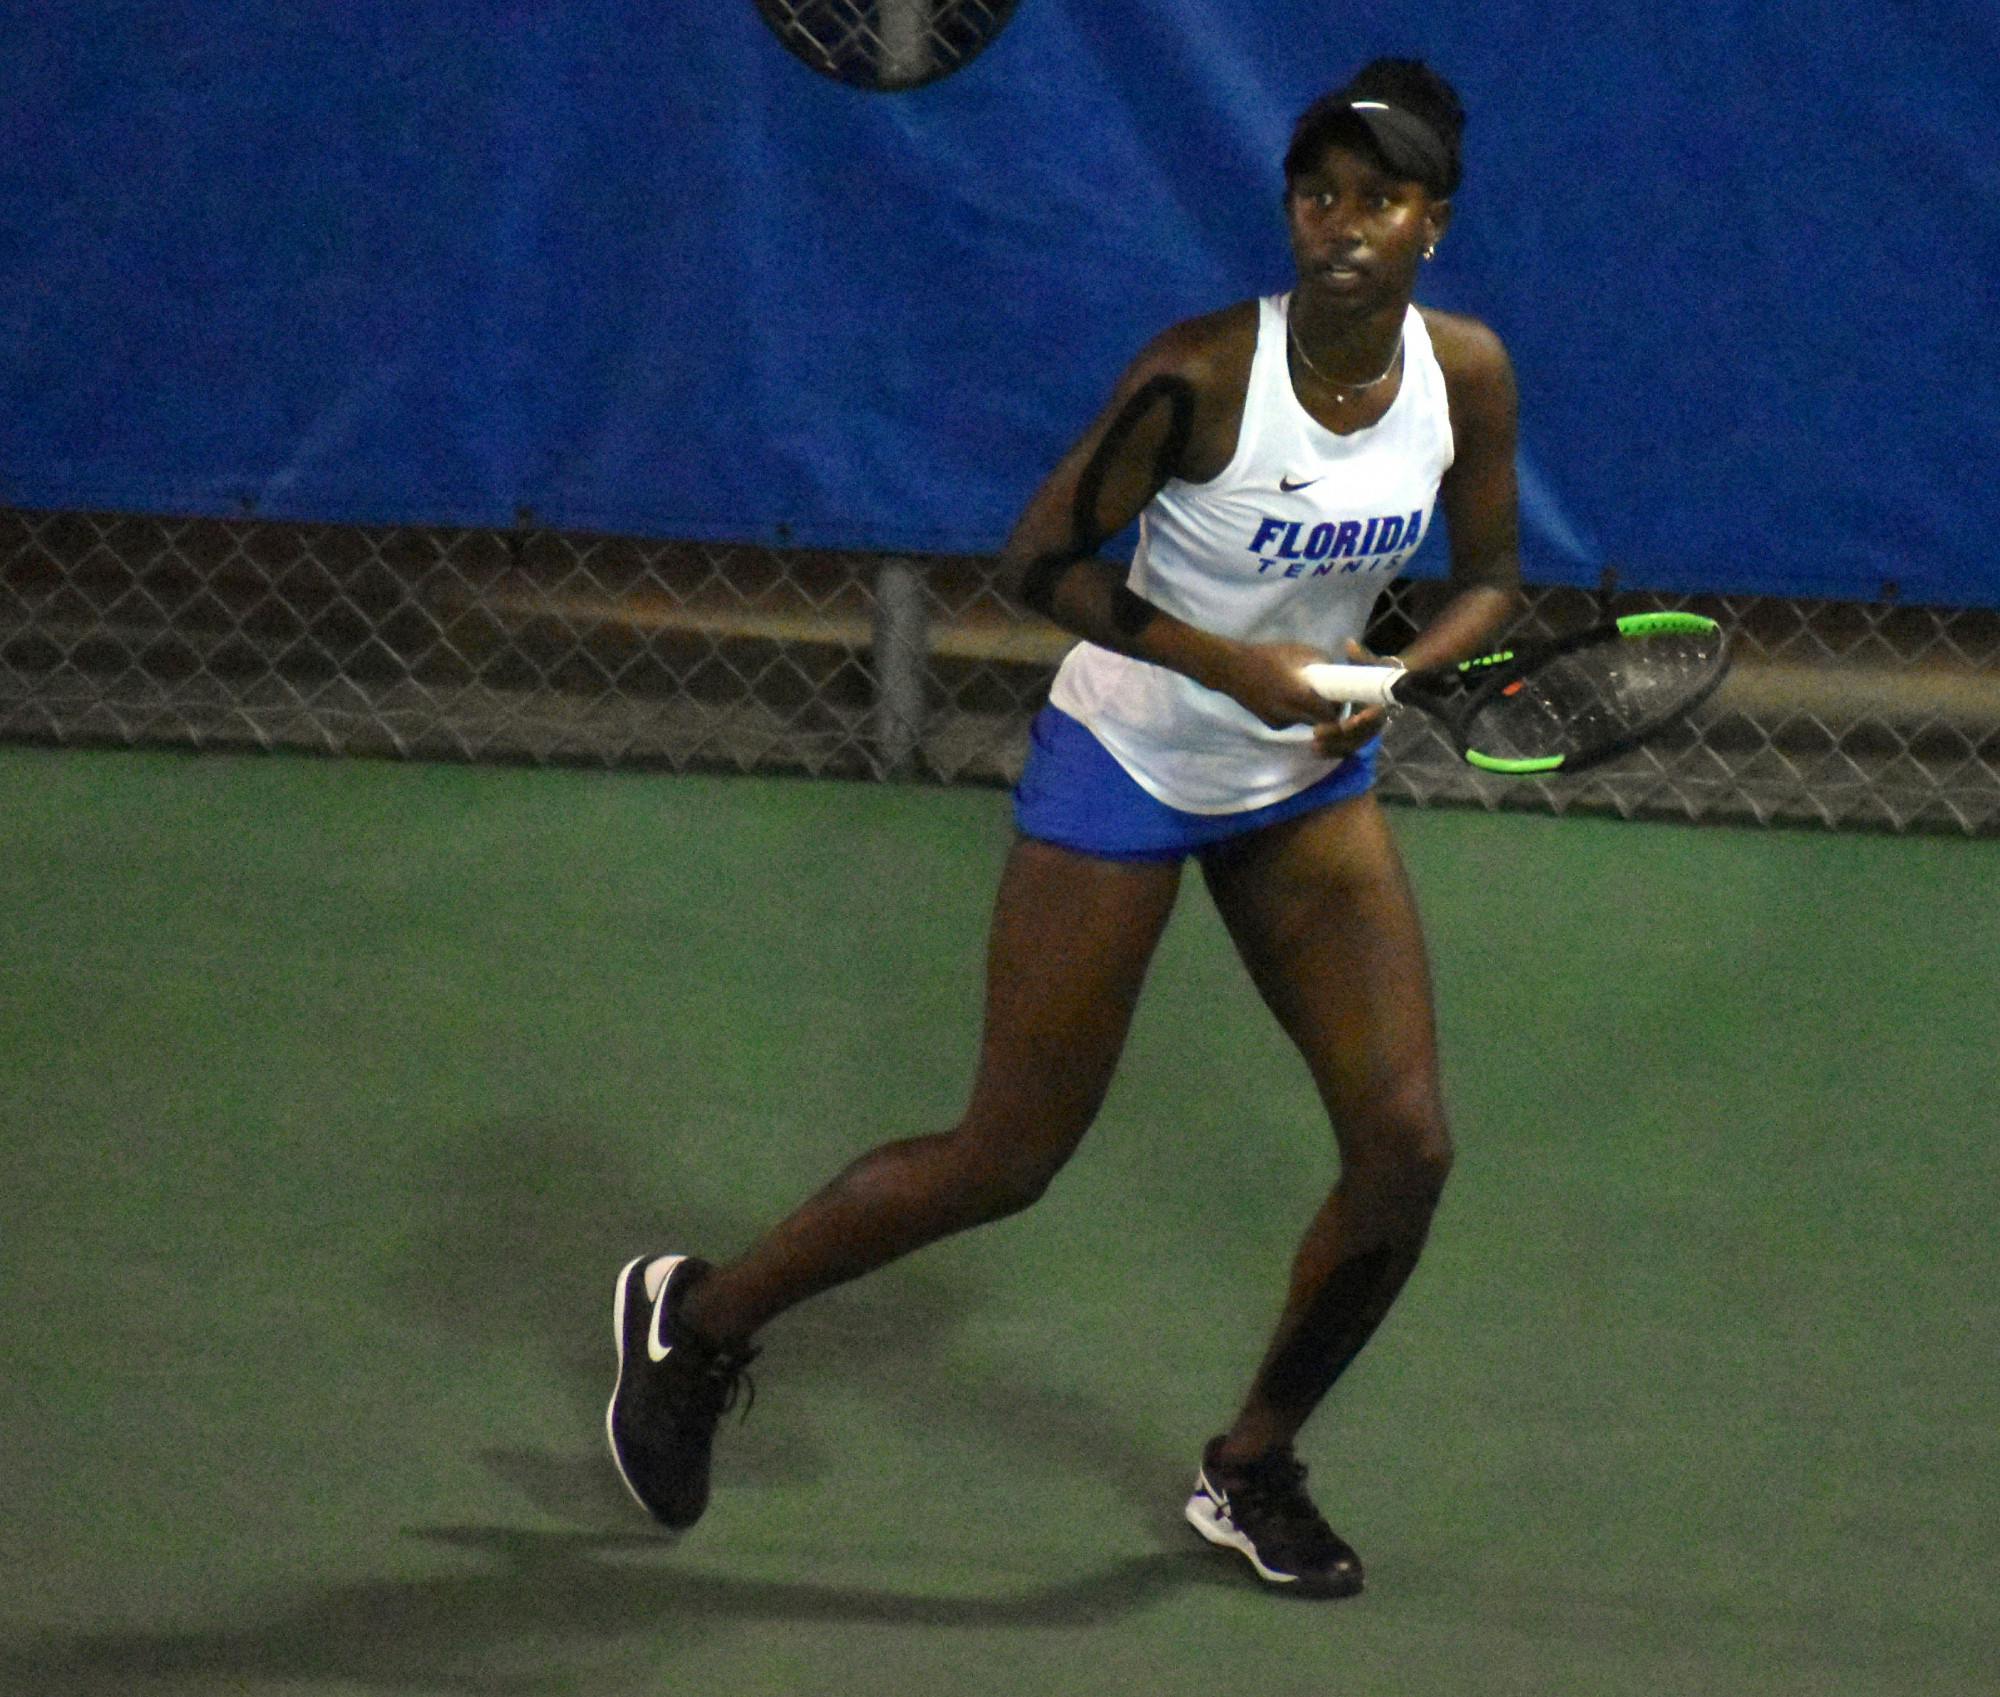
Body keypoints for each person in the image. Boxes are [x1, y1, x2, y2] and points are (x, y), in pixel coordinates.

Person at [606, 57, 1520, 1599]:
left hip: (1304, 784)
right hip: (1135, 758)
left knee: (1405, 1146)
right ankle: (696, 1321)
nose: (1342, 225)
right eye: (1319, 195)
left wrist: (1394, 677)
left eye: (1380, 199)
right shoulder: (1201, 374)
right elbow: (1040, 563)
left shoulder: (1467, 375)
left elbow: (1491, 578)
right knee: (1008, 1154)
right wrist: (1243, 666)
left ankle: (1253, 1464)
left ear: (1435, 220)